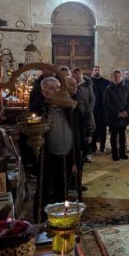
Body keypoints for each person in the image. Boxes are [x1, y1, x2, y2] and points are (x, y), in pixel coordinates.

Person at [32, 77, 78, 221]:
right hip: (48, 157)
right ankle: (41, 222)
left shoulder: (67, 107)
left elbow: (78, 130)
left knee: (62, 191)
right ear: (44, 91)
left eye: (58, 88)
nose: (56, 91)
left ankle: (58, 220)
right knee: (45, 191)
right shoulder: (39, 108)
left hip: (67, 156)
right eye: (51, 88)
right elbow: (30, 132)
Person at [103, 70, 129, 161]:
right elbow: (107, 104)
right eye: (115, 77)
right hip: (113, 117)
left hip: (124, 116)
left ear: (121, 77)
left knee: (122, 135)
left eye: (118, 76)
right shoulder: (108, 89)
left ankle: (123, 153)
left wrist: (127, 112)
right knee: (113, 136)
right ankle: (115, 154)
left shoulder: (126, 88)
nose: (117, 78)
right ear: (112, 77)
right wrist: (117, 113)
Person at [71, 67, 95, 163]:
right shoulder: (71, 85)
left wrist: (89, 110)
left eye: (78, 73)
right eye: (74, 74)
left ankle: (88, 154)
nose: (76, 75)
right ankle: (78, 154)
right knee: (78, 134)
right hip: (75, 114)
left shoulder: (87, 85)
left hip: (86, 113)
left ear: (81, 74)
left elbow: (92, 99)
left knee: (88, 133)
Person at [90, 65, 111, 154]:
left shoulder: (107, 82)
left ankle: (102, 146)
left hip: (103, 110)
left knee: (103, 129)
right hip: (93, 110)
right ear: (92, 72)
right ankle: (93, 147)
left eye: (98, 70)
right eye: (95, 70)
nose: (97, 71)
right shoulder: (89, 82)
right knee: (93, 129)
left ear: (101, 71)